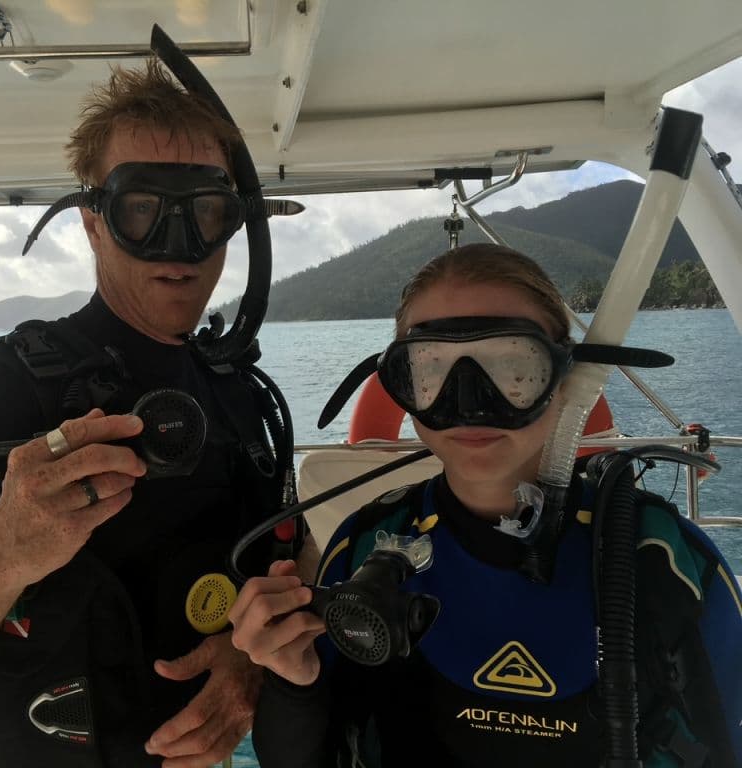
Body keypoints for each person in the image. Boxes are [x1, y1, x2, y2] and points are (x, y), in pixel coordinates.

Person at [0, 58, 315, 768]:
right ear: (94, 224)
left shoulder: (241, 399)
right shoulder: (1, 392)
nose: (177, 247)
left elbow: (284, 574)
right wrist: (3, 552)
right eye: (143, 210)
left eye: (205, 213)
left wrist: (247, 664)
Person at [228, 243, 742, 767]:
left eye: (512, 367)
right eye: (431, 368)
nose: (468, 403)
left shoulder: (664, 563)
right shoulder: (365, 547)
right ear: (404, 385)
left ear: (565, 379)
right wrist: (292, 679)